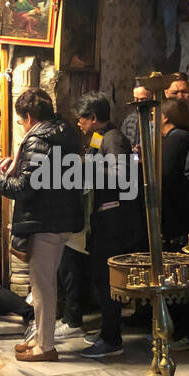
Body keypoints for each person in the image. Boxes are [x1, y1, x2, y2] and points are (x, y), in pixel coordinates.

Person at [0, 88, 84, 363]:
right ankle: (39, 340)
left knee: (42, 286)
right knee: (44, 284)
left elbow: (25, 187)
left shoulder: (38, 139)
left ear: (29, 116)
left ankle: (45, 346)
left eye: (21, 121)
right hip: (60, 216)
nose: (22, 126)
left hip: (46, 219)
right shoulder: (64, 133)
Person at [74, 92, 143, 358]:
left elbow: (122, 175)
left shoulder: (113, 138)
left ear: (93, 117)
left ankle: (112, 339)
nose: (79, 124)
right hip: (104, 220)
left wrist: (83, 167)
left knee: (107, 281)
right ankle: (107, 331)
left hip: (114, 223)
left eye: (82, 119)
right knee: (101, 280)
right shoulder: (101, 137)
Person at [160, 98, 189, 349]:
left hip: (180, 218)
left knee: (181, 274)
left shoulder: (177, 139)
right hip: (180, 216)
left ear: (165, 117)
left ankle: (188, 328)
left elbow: (165, 176)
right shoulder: (178, 138)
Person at [120, 83, 153, 155]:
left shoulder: (158, 120)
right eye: (136, 99)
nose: (139, 103)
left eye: (143, 99)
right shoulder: (130, 119)